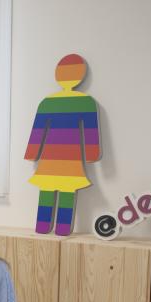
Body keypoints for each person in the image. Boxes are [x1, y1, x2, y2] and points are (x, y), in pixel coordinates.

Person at [25, 54, 101, 236]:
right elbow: (91, 132)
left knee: (49, 188)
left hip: (54, 158)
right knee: (65, 188)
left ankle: (47, 226)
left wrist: (31, 153)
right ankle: (60, 228)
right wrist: (91, 152)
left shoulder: (48, 102)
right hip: (67, 159)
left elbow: (37, 131)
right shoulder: (84, 102)